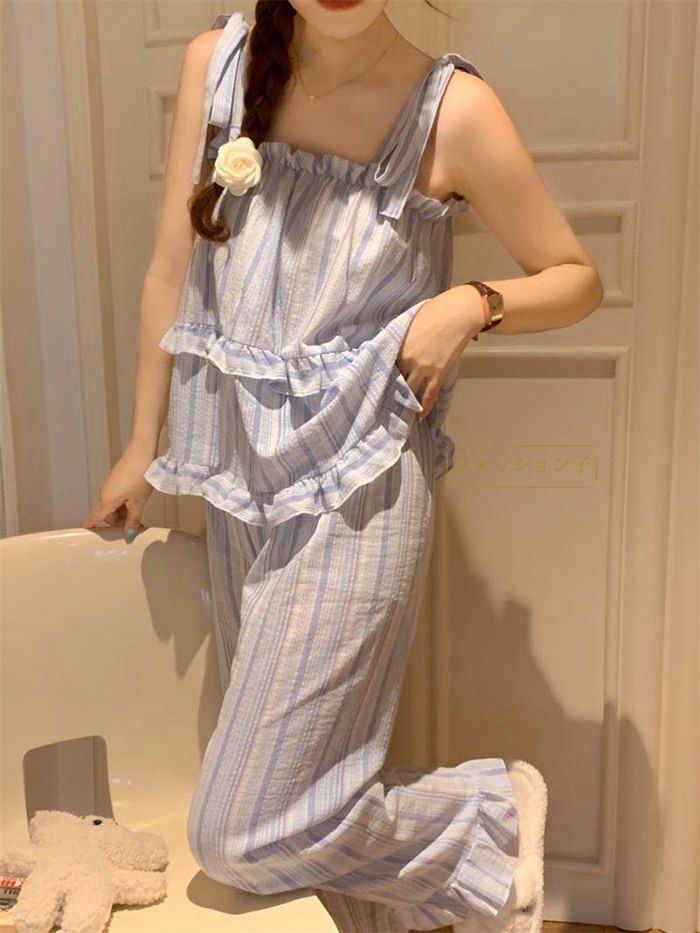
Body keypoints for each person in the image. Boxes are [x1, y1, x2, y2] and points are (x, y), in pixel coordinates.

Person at [83, 1, 603, 930]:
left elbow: (575, 277)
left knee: (240, 831)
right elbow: (170, 268)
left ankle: (487, 815)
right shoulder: (218, 63)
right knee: (303, 806)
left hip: (364, 485)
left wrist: (470, 304)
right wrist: (139, 443)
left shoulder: (451, 108)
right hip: (241, 481)